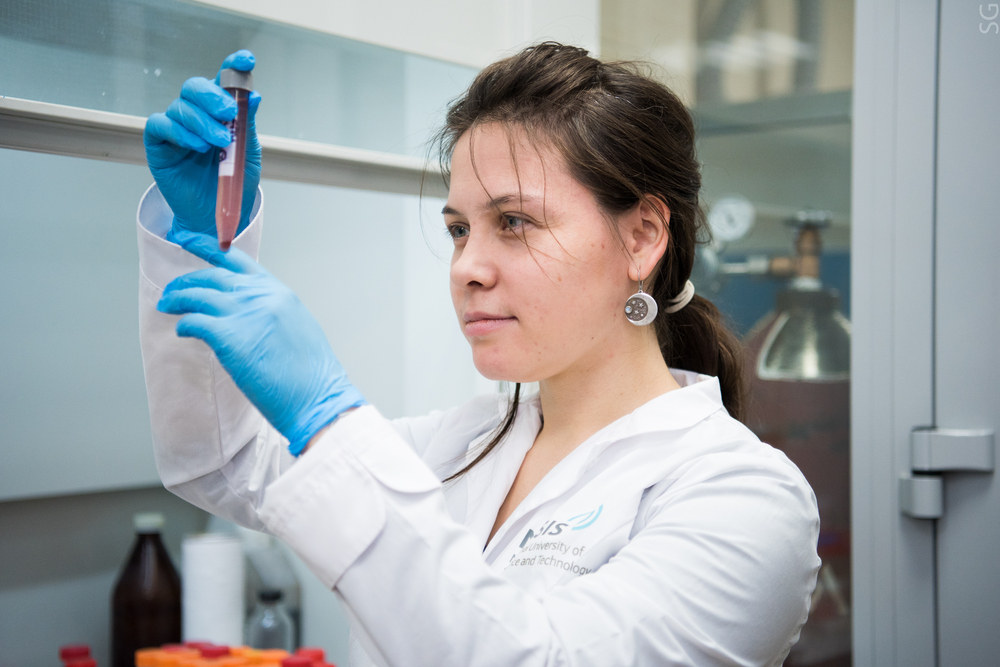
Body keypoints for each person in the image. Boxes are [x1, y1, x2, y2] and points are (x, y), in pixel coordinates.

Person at [139, 44, 820, 666]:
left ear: (641, 237)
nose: (466, 266)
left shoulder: (744, 498)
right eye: (460, 229)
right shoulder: (457, 443)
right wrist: (200, 248)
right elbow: (221, 462)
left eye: (514, 222)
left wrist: (330, 420)